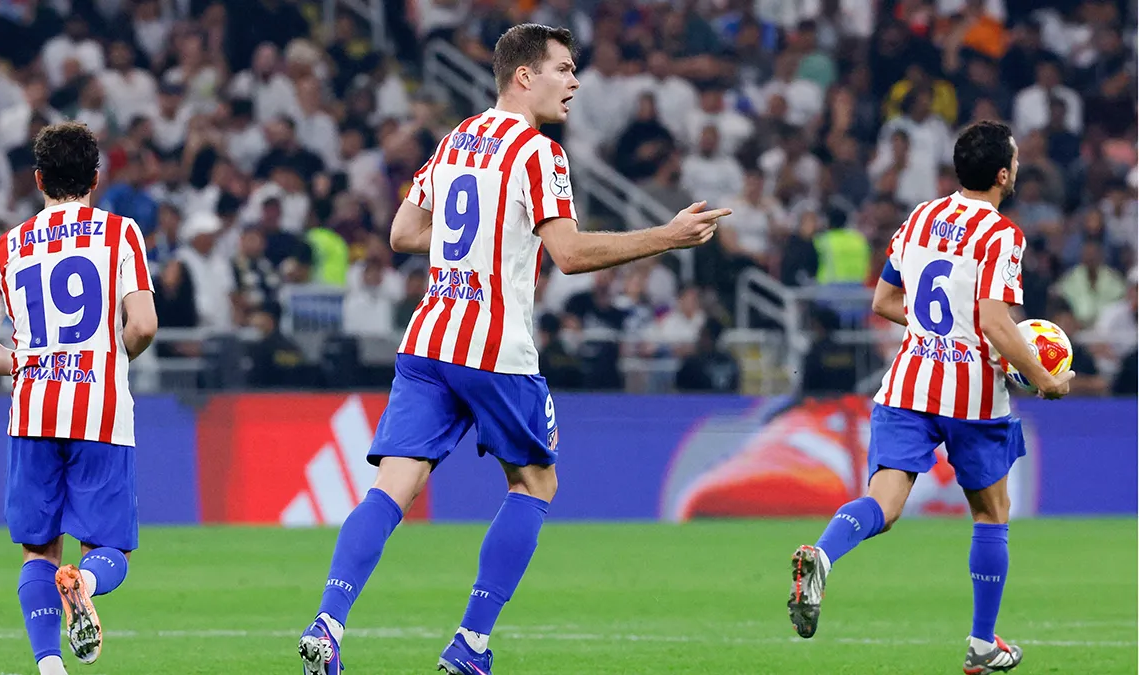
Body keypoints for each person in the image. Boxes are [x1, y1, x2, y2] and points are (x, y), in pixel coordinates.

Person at [297, 23, 729, 675]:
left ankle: (327, 623)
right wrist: (667, 235)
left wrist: (472, 242)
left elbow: (402, 230)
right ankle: (470, 642)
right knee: (535, 480)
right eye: (563, 68)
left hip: (428, 339)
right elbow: (571, 253)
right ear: (524, 76)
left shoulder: (454, 141)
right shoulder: (538, 153)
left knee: (393, 485)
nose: (575, 82)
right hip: (495, 346)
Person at [785, 120, 1073, 673]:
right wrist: (1043, 376)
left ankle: (823, 554)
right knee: (992, 513)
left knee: (885, 504)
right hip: (973, 398)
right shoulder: (1003, 235)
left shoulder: (921, 216)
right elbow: (995, 320)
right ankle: (982, 643)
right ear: (1004, 174)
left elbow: (884, 300)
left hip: (907, 383)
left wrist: (935, 332)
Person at [0, 122, 158, 675]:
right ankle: (85, 582)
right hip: (100, 409)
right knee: (108, 547)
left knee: (37, 551)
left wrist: (21, 362)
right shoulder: (120, 234)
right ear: (96, 177)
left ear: (38, 178)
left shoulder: (4, 247)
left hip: (32, 412)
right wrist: (117, 356)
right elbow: (143, 323)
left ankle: (50, 667)